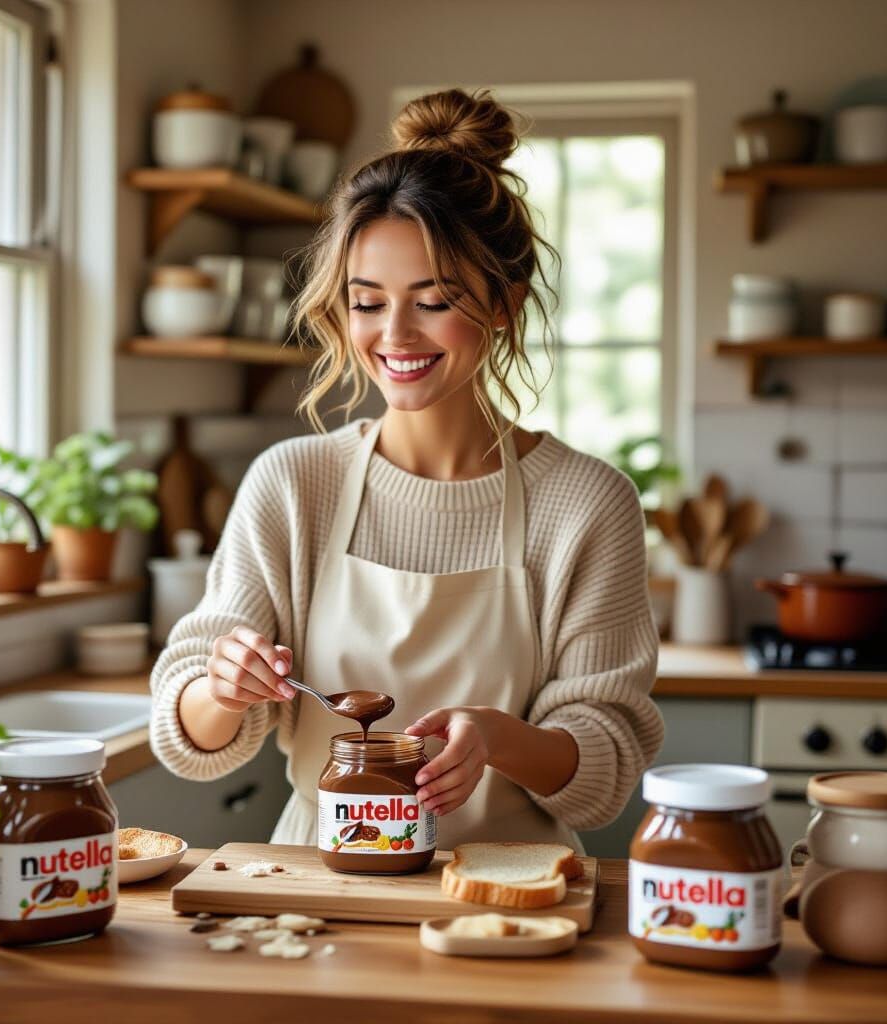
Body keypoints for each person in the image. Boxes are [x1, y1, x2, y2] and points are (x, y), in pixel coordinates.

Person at [150, 88, 663, 850]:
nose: (394, 334)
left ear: (504, 305)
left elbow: (607, 762)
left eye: (433, 300)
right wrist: (222, 686)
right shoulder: (294, 485)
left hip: (512, 901)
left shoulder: (587, 502)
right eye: (367, 303)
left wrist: (499, 739)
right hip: (317, 895)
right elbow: (189, 736)